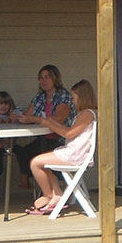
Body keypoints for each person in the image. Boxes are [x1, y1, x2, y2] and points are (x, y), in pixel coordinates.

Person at [26, 79, 97, 216]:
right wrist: (50, 122)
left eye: (74, 97)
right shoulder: (83, 114)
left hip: (75, 154)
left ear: (82, 97)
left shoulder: (87, 114)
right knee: (43, 164)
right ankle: (57, 194)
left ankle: (48, 196)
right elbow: (69, 129)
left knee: (35, 163)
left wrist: (48, 123)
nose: (72, 100)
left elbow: (68, 133)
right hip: (73, 152)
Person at [13, 64, 76, 189]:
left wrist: (34, 119)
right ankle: (29, 181)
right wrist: (18, 117)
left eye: (47, 77)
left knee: (39, 155)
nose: (43, 80)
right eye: (41, 78)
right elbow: (27, 115)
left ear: (55, 79)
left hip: (61, 139)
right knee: (23, 152)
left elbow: (59, 118)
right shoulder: (40, 96)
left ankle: (53, 191)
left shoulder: (63, 95)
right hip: (44, 138)